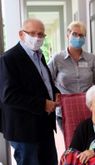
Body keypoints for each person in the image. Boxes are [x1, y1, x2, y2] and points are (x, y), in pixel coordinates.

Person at [0, 18, 59, 165]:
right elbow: (9, 95)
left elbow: (43, 82)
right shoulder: (8, 59)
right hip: (24, 130)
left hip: (44, 125)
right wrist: (42, 104)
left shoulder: (40, 55)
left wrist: (55, 92)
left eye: (41, 34)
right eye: (32, 33)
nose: (37, 38)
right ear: (21, 34)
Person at [48, 21, 95, 131]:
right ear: (68, 35)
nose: (78, 38)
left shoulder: (91, 59)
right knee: (71, 145)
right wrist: (55, 96)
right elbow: (48, 80)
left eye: (81, 35)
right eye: (75, 34)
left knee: (88, 144)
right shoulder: (57, 58)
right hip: (65, 110)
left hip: (88, 108)